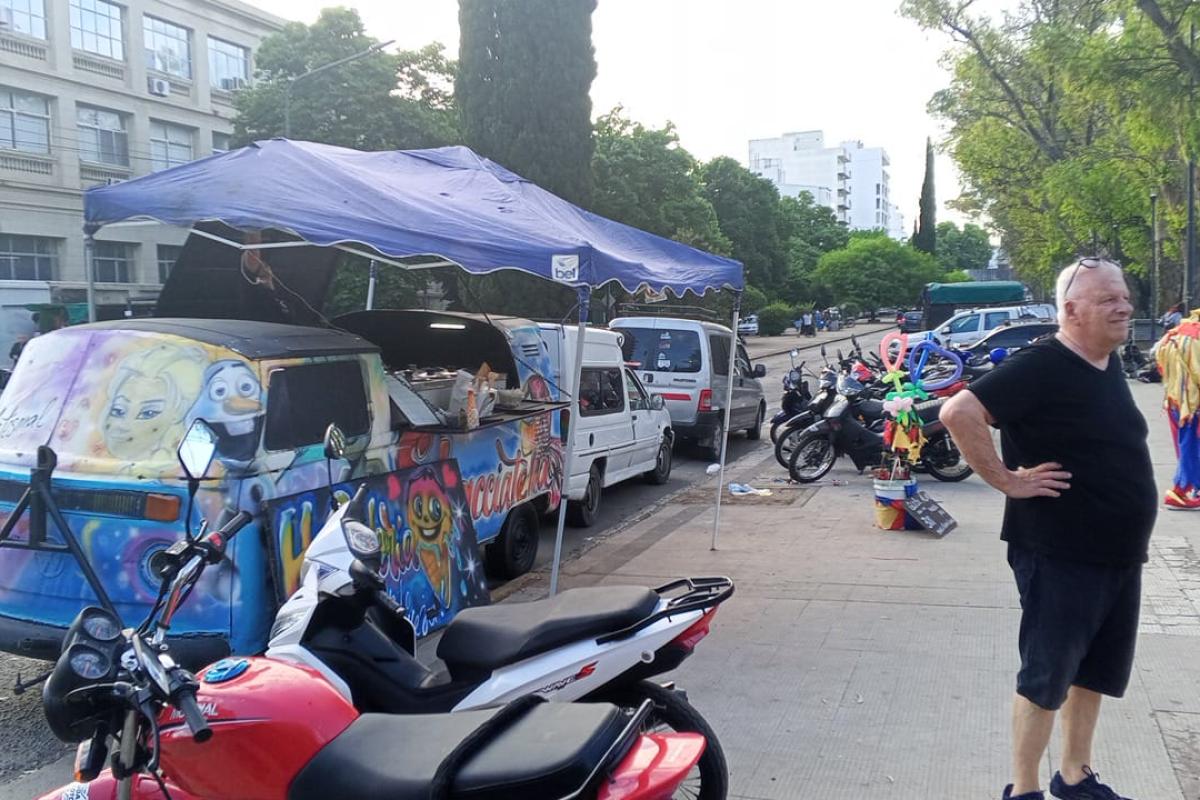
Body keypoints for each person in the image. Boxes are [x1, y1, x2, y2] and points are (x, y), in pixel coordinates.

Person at [941, 258, 1156, 800]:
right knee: (1047, 678)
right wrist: (1006, 480)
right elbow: (958, 411)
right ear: (1071, 310)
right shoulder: (1043, 363)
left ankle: (1075, 776)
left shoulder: (1104, 364)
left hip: (1116, 553)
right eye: (1108, 298)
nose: (1123, 305)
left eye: (1124, 295)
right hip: (1060, 552)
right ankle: (1025, 789)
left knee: (1094, 673)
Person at [1154, 307, 1200, 510]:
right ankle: (1181, 489)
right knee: (1192, 446)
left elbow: (1158, 358)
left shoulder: (1176, 332)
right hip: (1193, 402)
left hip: (1176, 400)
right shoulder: (1196, 336)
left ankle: (1184, 489)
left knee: (1187, 445)